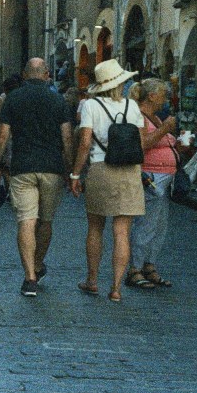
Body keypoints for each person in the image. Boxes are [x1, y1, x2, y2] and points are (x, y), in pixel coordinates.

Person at [0, 59, 74, 297]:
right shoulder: (58, 100)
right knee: (45, 221)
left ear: (25, 75)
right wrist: (71, 171)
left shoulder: (13, 98)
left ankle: (29, 278)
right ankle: (37, 264)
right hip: (52, 167)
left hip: (23, 166)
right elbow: (67, 138)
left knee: (26, 221)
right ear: (47, 74)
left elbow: (2, 135)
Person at [70, 59, 146, 303]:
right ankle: (115, 288)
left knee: (95, 228)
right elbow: (141, 143)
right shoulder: (132, 107)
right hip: (129, 170)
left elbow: (84, 143)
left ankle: (92, 280)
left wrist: (75, 174)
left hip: (101, 168)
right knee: (122, 231)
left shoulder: (91, 105)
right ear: (120, 83)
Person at [127, 78, 181, 290]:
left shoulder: (155, 117)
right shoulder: (139, 116)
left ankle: (149, 265)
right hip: (151, 176)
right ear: (151, 96)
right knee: (146, 225)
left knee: (159, 226)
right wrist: (165, 128)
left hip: (164, 177)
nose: (165, 99)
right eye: (163, 94)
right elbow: (142, 144)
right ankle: (135, 268)